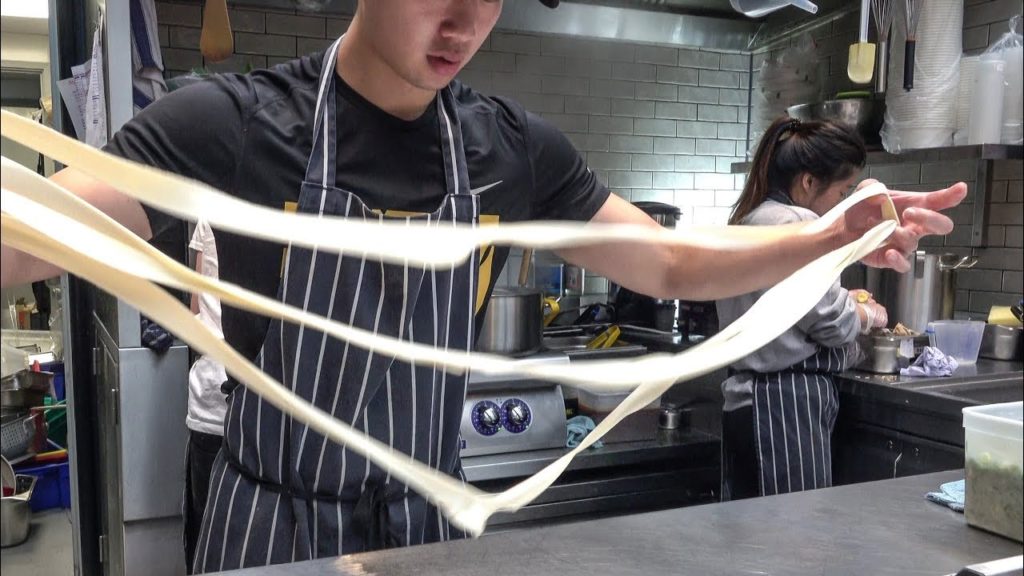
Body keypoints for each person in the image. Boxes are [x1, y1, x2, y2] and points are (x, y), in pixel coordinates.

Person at [0, 0, 966, 572]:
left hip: (430, 528)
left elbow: (668, 262)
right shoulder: (231, 125)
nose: (466, 22)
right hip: (274, 523)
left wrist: (825, 240)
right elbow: (29, 238)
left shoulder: (511, 145)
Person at [716, 117, 890, 501]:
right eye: (843, 191)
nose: (844, 204)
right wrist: (865, 313)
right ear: (809, 182)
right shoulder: (798, 224)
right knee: (793, 535)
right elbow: (834, 322)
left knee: (748, 538)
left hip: (745, 402)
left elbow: (801, 303)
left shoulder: (750, 219)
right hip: (782, 406)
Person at [184, 219, 228, 574]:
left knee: (206, 544)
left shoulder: (210, 210)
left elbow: (196, 308)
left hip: (213, 403)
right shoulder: (307, 199)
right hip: (274, 413)